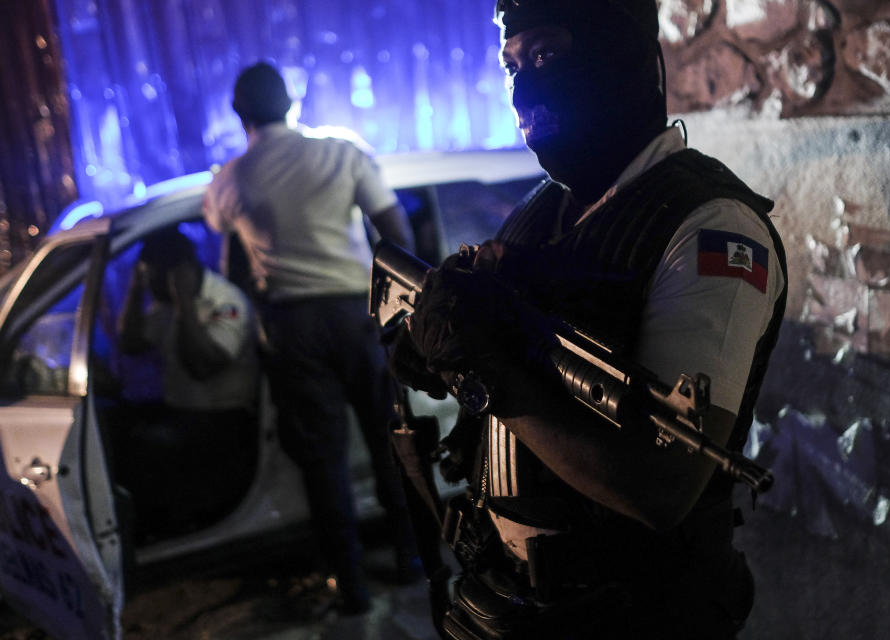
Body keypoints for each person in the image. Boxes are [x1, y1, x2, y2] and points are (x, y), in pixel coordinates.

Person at [392, 1, 788, 638]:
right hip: (513, 601)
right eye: (512, 64)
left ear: (617, 57)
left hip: (638, 612)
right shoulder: (542, 209)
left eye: (547, 55)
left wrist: (486, 375)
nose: (525, 84)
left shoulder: (711, 227)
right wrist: (436, 347)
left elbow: (660, 488)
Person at [202, 61, 420, 614]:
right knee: (388, 442)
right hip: (357, 316)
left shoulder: (230, 178)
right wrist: (396, 301)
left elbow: (225, 259)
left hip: (292, 329)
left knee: (325, 463)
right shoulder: (342, 151)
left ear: (239, 113)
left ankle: (351, 587)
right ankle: (412, 559)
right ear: (292, 103)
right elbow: (396, 230)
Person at [116, 228, 259, 536]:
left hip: (224, 418)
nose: (150, 283)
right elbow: (131, 344)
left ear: (179, 274)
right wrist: (136, 288)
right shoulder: (164, 304)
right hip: (184, 411)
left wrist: (185, 304)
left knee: (147, 448)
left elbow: (202, 367)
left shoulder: (224, 302)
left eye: (153, 275)